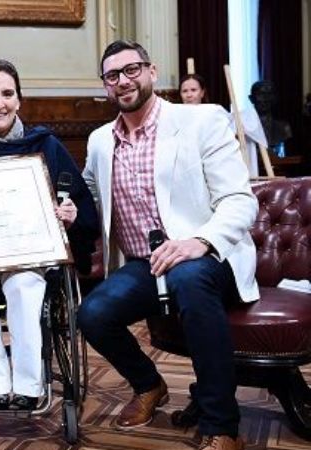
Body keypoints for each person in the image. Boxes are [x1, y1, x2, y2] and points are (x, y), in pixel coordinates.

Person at [78, 40, 258, 450]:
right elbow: (85, 194)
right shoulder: (100, 141)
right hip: (147, 263)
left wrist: (200, 240)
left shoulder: (202, 120)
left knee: (190, 279)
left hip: (209, 253)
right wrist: (65, 207)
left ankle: (221, 425)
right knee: (92, 314)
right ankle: (148, 385)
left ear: (152, 71)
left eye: (131, 70)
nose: (123, 81)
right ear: (105, 86)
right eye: (112, 75)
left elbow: (240, 200)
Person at [0, 59, 99, 411]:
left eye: (7, 94)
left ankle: (30, 385)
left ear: (19, 100)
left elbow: (77, 202)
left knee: (24, 286)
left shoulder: (45, 145)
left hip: (28, 251)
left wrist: (70, 214)